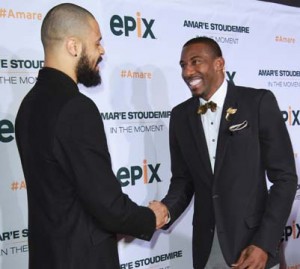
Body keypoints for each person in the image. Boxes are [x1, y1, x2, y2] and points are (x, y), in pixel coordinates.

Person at [15, 3, 165, 269]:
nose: (102, 51)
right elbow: (108, 206)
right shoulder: (76, 108)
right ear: (73, 46)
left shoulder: (28, 105)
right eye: (97, 43)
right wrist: (151, 218)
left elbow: (65, 192)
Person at [150, 36, 298, 268]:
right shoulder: (180, 116)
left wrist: (264, 243)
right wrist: (165, 211)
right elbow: (183, 180)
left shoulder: (257, 103)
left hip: (253, 244)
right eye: (183, 65)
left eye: (196, 61)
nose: (188, 72)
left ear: (219, 64)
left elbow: (285, 179)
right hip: (206, 247)